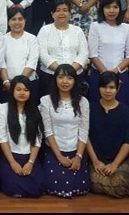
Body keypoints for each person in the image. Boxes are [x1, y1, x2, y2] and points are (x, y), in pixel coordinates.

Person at [38, 63, 90, 198]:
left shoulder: (83, 102)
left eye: (69, 78)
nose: (65, 82)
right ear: (55, 79)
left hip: (75, 150)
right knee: (54, 185)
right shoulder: (46, 101)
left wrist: (78, 157)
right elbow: (48, 131)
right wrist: (59, 156)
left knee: (80, 187)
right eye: (61, 77)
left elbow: (83, 131)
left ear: (75, 80)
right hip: (55, 150)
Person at [86, 71, 129, 198]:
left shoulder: (125, 112)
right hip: (95, 160)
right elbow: (85, 136)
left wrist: (114, 164)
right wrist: (95, 161)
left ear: (118, 88)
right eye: (104, 87)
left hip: (119, 160)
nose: (107, 91)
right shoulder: (90, 109)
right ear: (98, 88)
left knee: (119, 185)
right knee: (87, 181)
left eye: (112, 87)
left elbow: (128, 141)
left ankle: (107, 185)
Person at [0, 75, 44, 198]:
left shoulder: (35, 110)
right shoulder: (3, 109)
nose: (22, 93)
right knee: (11, 187)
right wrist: (12, 162)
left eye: (26, 90)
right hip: (10, 156)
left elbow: (37, 140)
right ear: (12, 90)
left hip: (29, 156)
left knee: (38, 188)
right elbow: (2, 138)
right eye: (18, 89)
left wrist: (30, 162)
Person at [88, 0, 129, 106]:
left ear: (120, 8)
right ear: (102, 9)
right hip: (98, 75)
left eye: (115, 7)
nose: (112, 11)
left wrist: (114, 73)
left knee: (120, 109)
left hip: (120, 75)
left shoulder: (127, 28)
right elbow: (93, 55)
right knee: (97, 109)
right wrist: (106, 75)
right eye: (108, 7)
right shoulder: (95, 26)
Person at [36, 0, 88, 98]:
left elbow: (83, 53)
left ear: (69, 14)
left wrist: (70, 72)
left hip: (75, 76)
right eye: (58, 10)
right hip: (50, 76)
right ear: (52, 14)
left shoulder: (78, 31)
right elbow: (42, 54)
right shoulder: (44, 30)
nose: (61, 13)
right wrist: (61, 72)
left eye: (65, 10)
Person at [0, 7, 39, 104]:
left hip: (28, 84)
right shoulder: (2, 39)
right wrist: (6, 82)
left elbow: (32, 62)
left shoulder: (32, 39)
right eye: (13, 19)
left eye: (20, 19)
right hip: (7, 85)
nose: (17, 22)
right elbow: (1, 62)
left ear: (25, 21)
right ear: (8, 22)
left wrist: (19, 84)